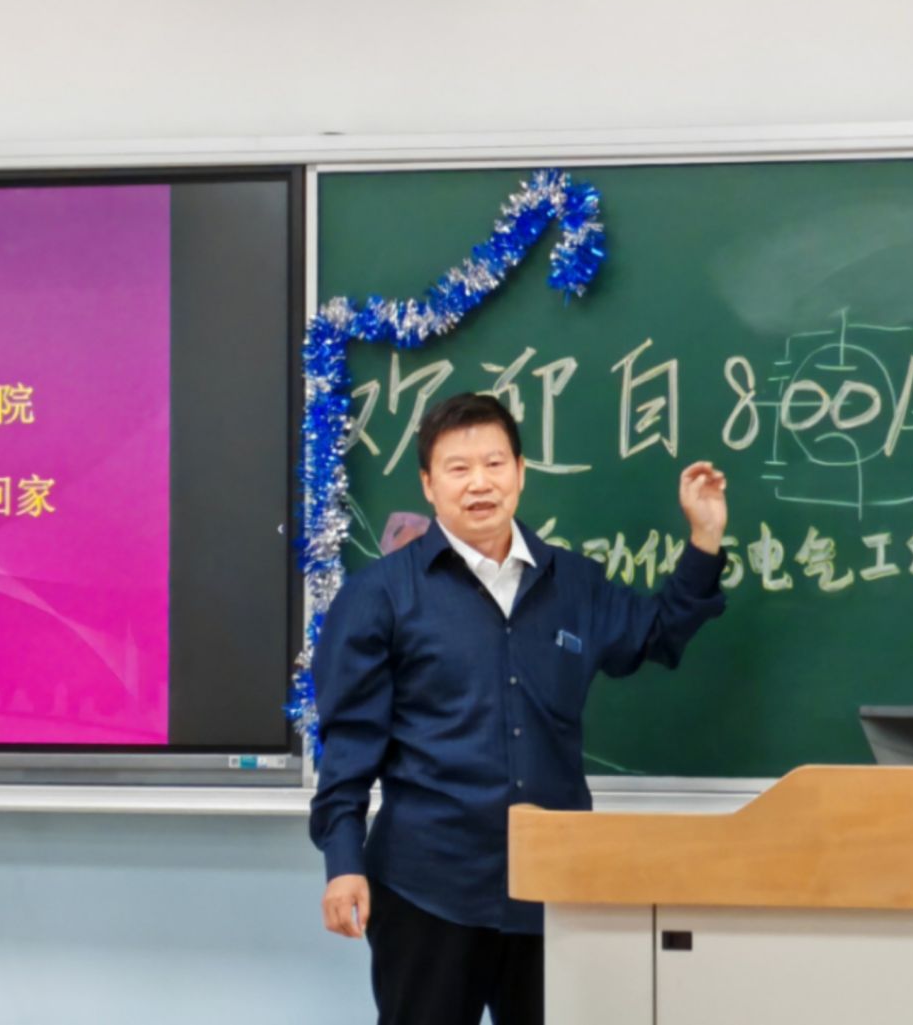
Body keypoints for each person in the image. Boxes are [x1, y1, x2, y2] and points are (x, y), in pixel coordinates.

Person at [310, 392, 731, 1024]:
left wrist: (704, 537)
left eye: (494, 463)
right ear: (428, 484)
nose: (479, 483)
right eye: (458, 468)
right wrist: (343, 864)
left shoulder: (575, 584)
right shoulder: (380, 596)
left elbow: (658, 634)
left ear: (521, 472)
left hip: (554, 890)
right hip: (428, 887)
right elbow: (347, 746)